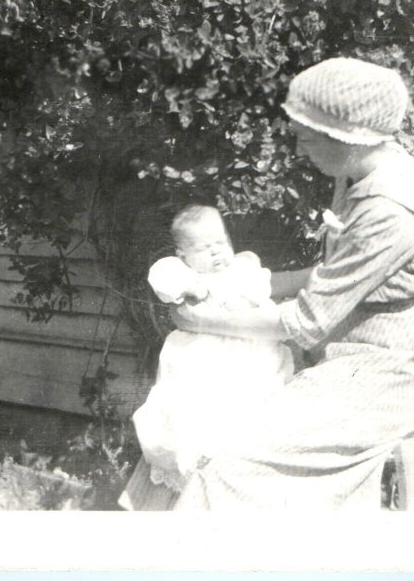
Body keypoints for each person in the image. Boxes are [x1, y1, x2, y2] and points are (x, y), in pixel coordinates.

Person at [166, 56, 414, 510]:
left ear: (347, 137)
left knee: (227, 462)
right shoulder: (358, 172)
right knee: (202, 429)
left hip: (384, 376)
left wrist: (200, 320)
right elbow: (324, 279)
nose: (298, 151)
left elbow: (304, 324)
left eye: (305, 138)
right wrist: (230, 283)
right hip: (341, 361)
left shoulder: (390, 211)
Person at [119, 205, 294, 509]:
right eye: (204, 248)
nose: (216, 253)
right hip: (201, 364)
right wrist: (191, 284)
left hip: (248, 363)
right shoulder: (181, 271)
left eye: (221, 243)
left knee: (248, 416)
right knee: (195, 419)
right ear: (184, 254)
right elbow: (161, 276)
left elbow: (275, 282)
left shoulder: (242, 272)